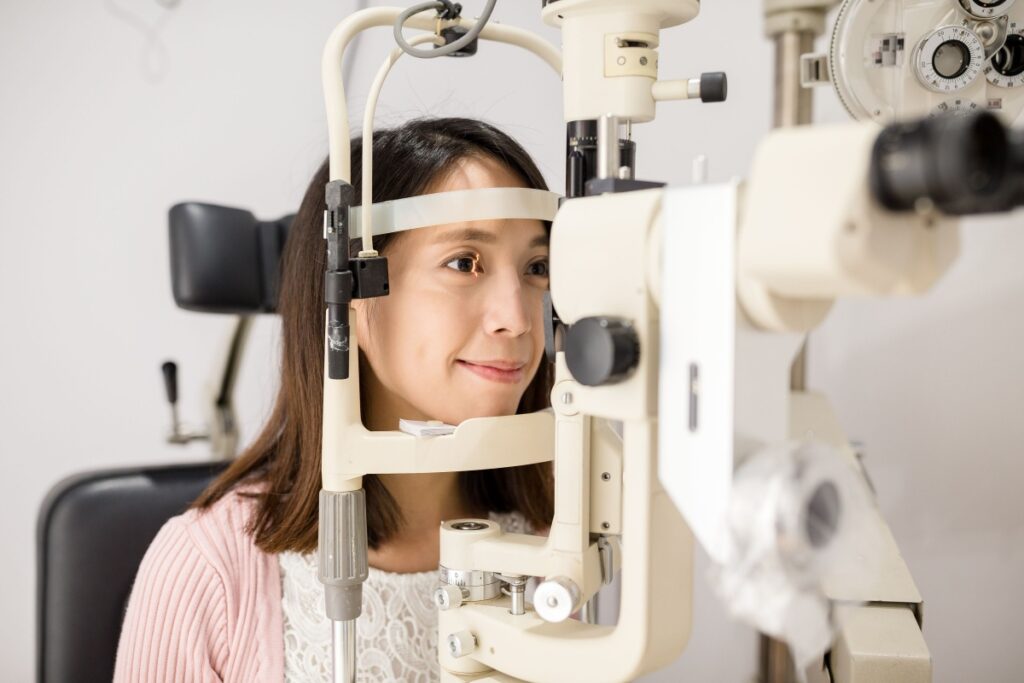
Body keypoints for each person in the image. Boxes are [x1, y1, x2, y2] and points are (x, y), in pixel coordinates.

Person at [113, 117, 556, 682]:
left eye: (535, 268)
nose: (517, 318)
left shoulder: (555, 543)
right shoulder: (208, 570)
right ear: (349, 290)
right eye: (464, 262)